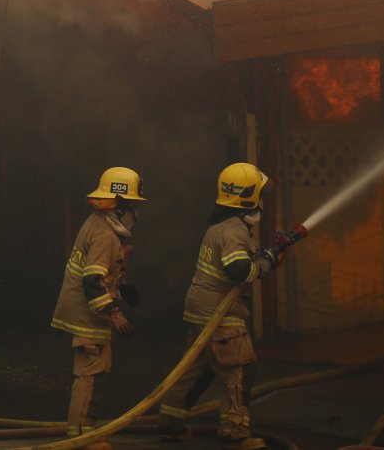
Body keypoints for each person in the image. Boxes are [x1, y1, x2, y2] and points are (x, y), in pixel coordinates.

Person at [157, 162, 282, 450]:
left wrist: (266, 257)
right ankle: (235, 430)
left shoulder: (222, 227)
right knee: (240, 368)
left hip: (201, 308)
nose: (262, 200)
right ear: (248, 197)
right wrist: (264, 264)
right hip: (220, 312)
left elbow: (238, 263)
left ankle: (170, 423)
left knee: (197, 368)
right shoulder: (234, 230)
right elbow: (239, 270)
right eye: (259, 193)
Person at [50, 166, 145, 446]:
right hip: (87, 314)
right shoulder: (104, 233)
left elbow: (101, 273)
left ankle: (81, 432)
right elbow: (92, 280)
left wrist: (123, 288)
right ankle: (83, 437)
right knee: (91, 375)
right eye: (133, 206)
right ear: (120, 206)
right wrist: (113, 312)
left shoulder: (100, 225)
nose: (135, 213)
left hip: (85, 311)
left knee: (94, 372)